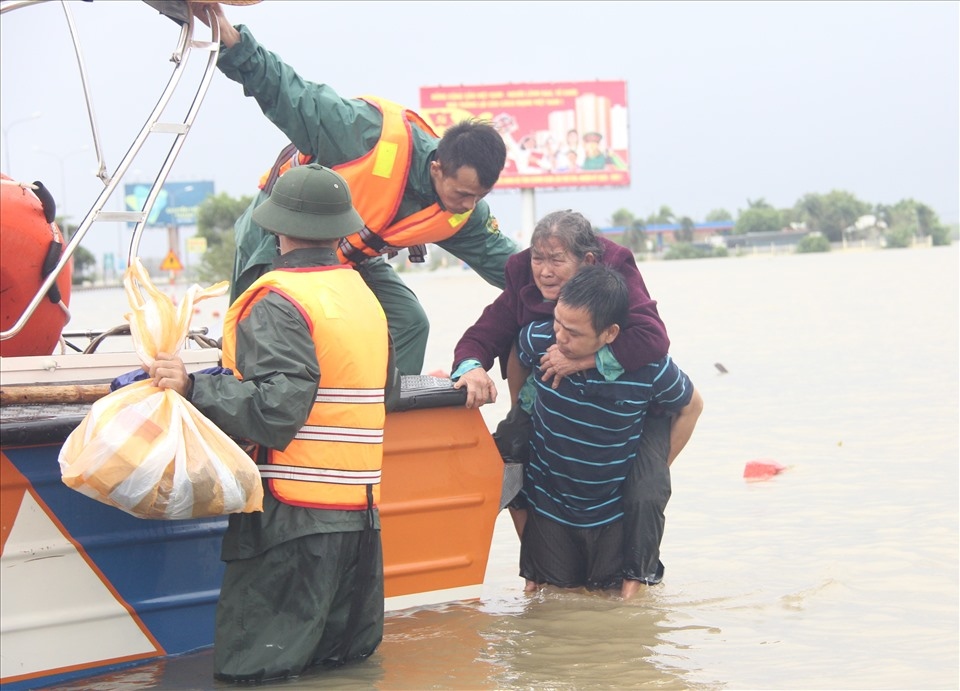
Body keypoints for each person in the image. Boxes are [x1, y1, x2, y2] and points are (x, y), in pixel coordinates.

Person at [148, 164, 398, 683]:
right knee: (338, 671)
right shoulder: (363, 298)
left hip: (290, 522)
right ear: (340, 229)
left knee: (254, 672)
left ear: (277, 227)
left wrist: (195, 387)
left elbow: (278, 409)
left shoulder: (279, 299)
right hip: (360, 521)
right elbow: (384, 393)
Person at [192, 1, 518, 375]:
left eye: (479, 198)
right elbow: (290, 92)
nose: (467, 205)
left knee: (410, 321)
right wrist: (233, 39)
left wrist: (581, 280)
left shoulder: (465, 216)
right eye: (463, 194)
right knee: (259, 335)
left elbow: (513, 267)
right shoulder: (364, 133)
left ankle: (386, 413)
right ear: (438, 167)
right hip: (277, 239)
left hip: (345, 256)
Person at [451, 209, 672, 594]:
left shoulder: (615, 267)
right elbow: (483, 333)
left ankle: (634, 590)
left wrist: (583, 359)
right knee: (504, 463)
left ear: (587, 262)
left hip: (622, 404)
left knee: (645, 488)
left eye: (557, 260)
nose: (545, 271)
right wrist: (470, 368)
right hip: (546, 398)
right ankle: (539, 567)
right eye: (539, 258)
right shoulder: (522, 274)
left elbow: (653, 337)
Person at [515, 265, 703, 597]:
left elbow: (691, 407)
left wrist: (658, 468)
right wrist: (520, 409)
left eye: (573, 333)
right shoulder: (538, 339)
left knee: (614, 610)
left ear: (610, 334)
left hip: (612, 513)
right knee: (552, 603)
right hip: (550, 505)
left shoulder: (649, 368)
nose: (560, 337)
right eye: (558, 322)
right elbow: (517, 357)